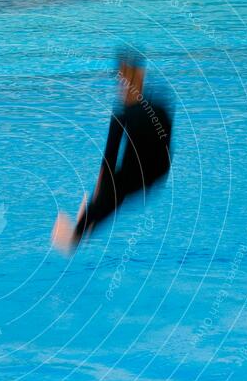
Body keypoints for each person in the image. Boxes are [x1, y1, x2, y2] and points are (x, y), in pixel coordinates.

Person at [51, 51, 173, 254]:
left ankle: (80, 231)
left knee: (113, 189)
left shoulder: (122, 115)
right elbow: (166, 145)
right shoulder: (159, 105)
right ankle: (89, 221)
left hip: (137, 176)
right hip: (157, 172)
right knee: (115, 190)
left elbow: (109, 159)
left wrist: (99, 195)